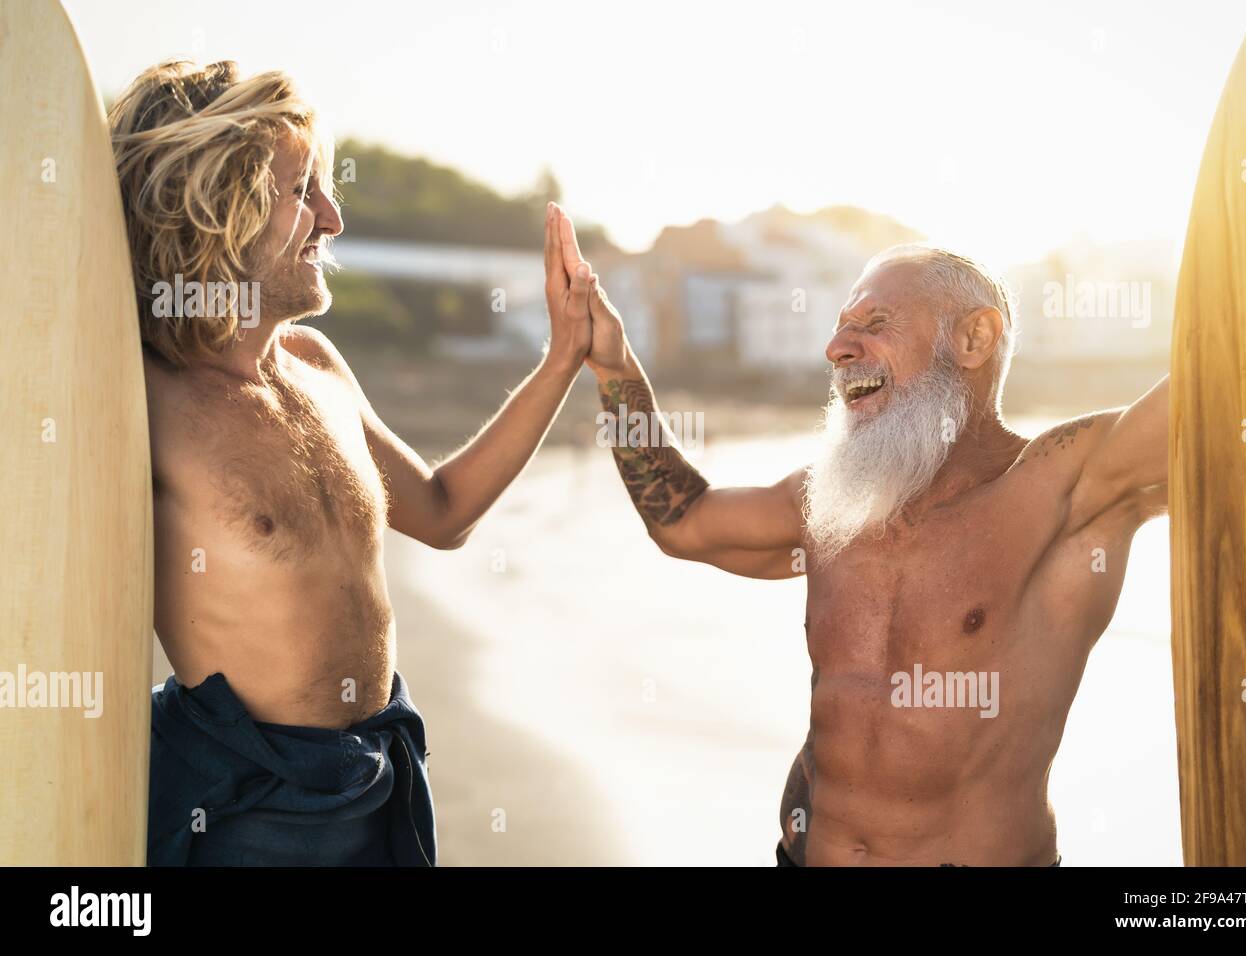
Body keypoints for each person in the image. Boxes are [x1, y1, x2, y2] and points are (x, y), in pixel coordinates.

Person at [559, 224, 1168, 866]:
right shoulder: (832, 499)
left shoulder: (1064, 484)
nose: (836, 348)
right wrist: (615, 365)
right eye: (840, 327)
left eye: (874, 322)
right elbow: (683, 520)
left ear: (973, 338)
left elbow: (1230, 392)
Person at [109, 60, 594, 865]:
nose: (332, 218)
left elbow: (442, 513)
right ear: (214, 210)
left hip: (386, 777)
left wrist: (563, 357)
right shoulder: (141, 396)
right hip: (248, 806)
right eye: (303, 192)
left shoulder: (318, 364)